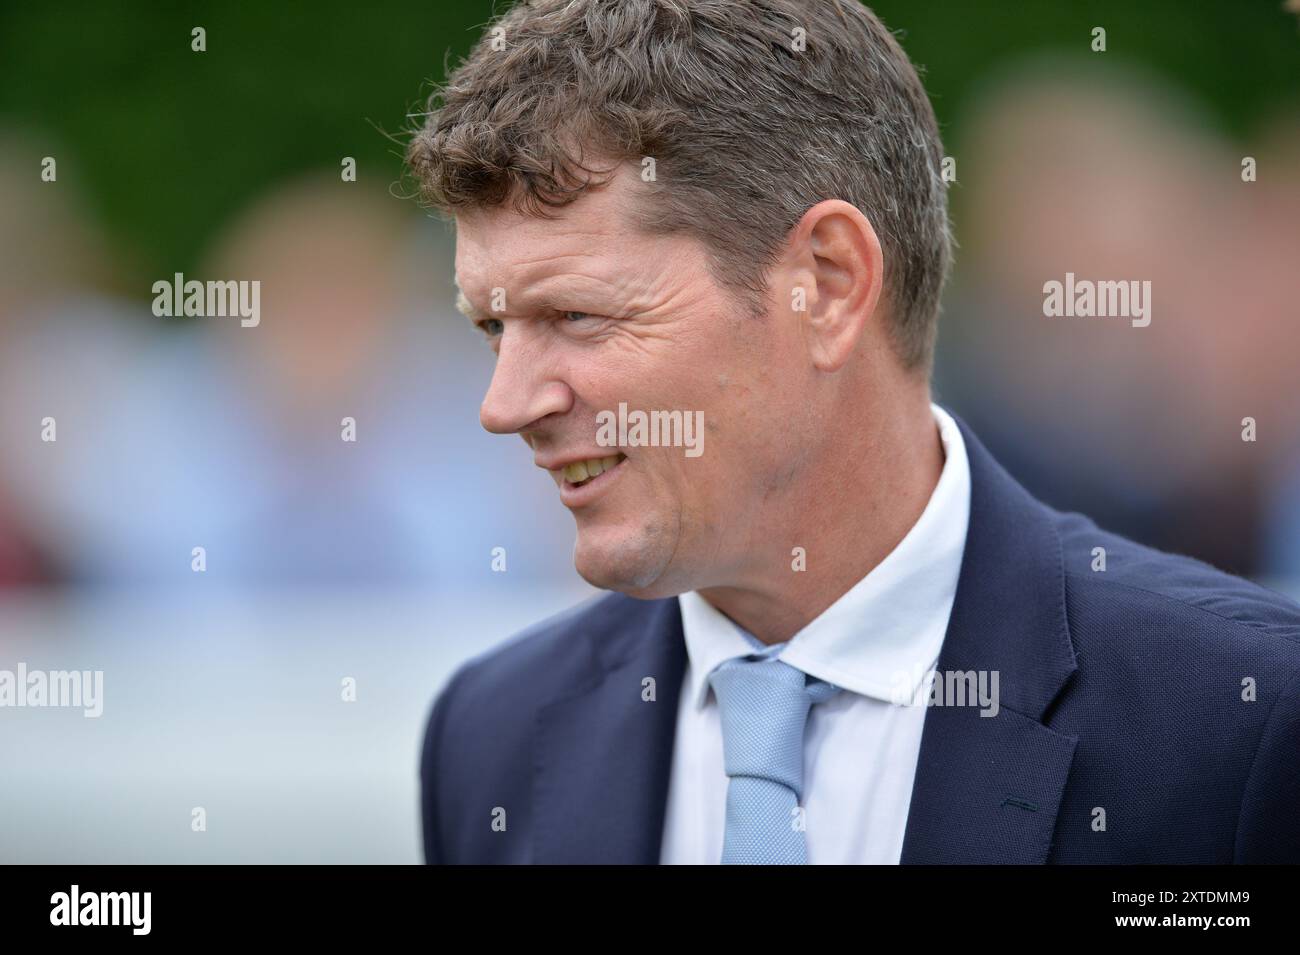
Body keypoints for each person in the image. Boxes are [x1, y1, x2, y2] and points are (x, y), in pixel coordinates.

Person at [405, 0, 1300, 864]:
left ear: (826, 286)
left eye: (575, 314)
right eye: (492, 327)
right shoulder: (491, 740)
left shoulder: (1237, 722)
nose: (504, 403)